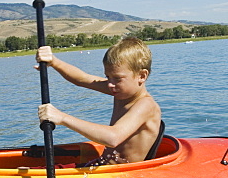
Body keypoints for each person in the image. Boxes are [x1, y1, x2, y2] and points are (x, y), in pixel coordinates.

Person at [36, 37, 162, 165]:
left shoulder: (146, 105)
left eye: (117, 78)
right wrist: (54, 62)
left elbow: (113, 138)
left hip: (121, 175)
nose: (110, 84)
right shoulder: (121, 92)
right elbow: (82, 79)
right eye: (108, 77)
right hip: (102, 167)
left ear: (142, 76)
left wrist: (62, 118)